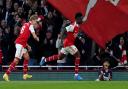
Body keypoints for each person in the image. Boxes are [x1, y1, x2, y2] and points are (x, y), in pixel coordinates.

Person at [40, 12, 86, 80]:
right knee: (78, 55)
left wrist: (80, 38)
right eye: (81, 18)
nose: (82, 20)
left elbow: (73, 35)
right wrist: (61, 39)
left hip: (67, 44)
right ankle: (76, 75)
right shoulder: (73, 25)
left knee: (60, 57)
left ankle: (45, 59)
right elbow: (64, 30)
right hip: (68, 43)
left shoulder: (77, 26)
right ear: (77, 19)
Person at [3, 15, 40, 82]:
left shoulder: (25, 24)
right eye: (36, 21)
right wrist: (37, 38)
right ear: (32, 20)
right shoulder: (30, 26)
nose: (36, 23)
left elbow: (23, 37)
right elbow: (34, 35)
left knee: (27, 57)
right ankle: (6, 74)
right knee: (16, 60)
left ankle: (25, 74)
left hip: (21, 44)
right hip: (20, 45)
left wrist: (27, 45)